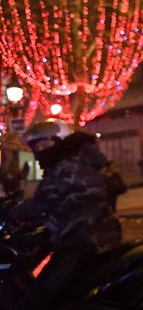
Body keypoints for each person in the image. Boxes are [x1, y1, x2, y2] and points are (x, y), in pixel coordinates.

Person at [9, 119, 121, 309]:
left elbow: (40, 202)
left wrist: (11, 213)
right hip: (103, 236)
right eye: (36, 147)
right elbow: (65, 202)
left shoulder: (64, 168)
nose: (40, 151)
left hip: (80, 244)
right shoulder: (84, 161)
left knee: (37, 299)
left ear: (59, 141)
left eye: (44, 145)